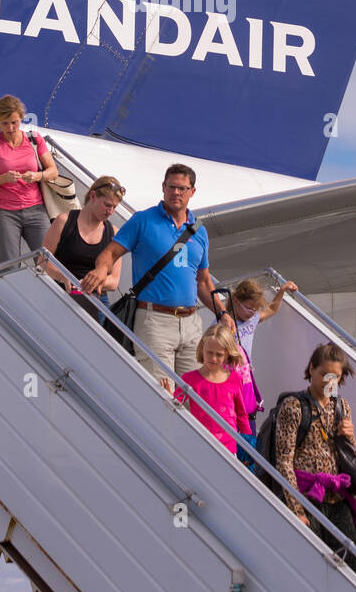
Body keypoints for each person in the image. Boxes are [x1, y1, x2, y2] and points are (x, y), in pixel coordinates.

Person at [84, 163, 226, 377]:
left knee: (193, 396)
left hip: (191, 324)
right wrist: (101, 271)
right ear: (163, 187)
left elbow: (203, 282)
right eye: (171, 187)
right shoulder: (143, 220)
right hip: (155, 322)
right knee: (163, 395)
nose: (175, 192)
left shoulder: (199, 231)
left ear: (192, 192)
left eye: (182, 188)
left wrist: (222, 313)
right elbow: (110, 254)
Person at [274, 343, 356, 574]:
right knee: (312, 565)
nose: (329, 382)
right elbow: (284, 460)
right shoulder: (294, 406)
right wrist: (296, 508)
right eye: (324, 375)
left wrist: (350, 436)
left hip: (337, 497)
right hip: (307, 495)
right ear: (311, 368)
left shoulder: (341, 406)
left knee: (350, 565)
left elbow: (349, 455)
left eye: (335, 377)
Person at [224, 277, 297, 468]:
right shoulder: (226, 324)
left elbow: (272, 309)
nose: (252, 314)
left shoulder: (253, 318)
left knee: (248, 415)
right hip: (229, 378)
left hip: (246, 377)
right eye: (248, 308)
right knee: (235, 416)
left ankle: (248, 457)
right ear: (236, 301)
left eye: (255, 309)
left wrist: (281, 291)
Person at [0, 96, 58, 266]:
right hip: (5, 212)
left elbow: (53, 171)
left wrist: (37, 176)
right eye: (4, 123)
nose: (10, 128)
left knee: (47, 262)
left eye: (14, 122)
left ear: (21, 118)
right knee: (8, 264)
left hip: (36, 209)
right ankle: (5, 291)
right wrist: (3, 178)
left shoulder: (34, 139)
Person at [41, 175, 125, 322]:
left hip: (95, 300)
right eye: (107, 205)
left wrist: (90, 283)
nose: (110, 211)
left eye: (114, 207)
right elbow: (42, 260)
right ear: (93, 196)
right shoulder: (64, 221)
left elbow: (114, 281)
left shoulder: (114, 233)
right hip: (59, 293)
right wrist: (64, 277)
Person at [173, 325, 250, 453]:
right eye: (209, 352)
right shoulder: (189, 379)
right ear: (202, 349)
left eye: (219, 354)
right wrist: (167, 392)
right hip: (200, 445)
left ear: (227, 355)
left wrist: (248, 444)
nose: (213, 358)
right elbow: (175, 403)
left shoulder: (235, 379)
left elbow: (241, 414)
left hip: (229, 448)